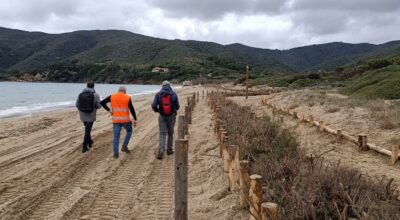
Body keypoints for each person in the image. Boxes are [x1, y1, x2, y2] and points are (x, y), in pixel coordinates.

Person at [100, 86, 137, 158]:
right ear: (124, 91)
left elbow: (102, 102)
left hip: (116, 120)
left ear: (118, 91)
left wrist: (109, 110)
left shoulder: (112, 96)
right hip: (125, 120)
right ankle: (124, 146)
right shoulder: (127, 97)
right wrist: (135, 118)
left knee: (116, 137)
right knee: (129, 131)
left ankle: (116, 154)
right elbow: (132, 109)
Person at [151, 81, 180, 160]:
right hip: (171, 116)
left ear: (162, 86)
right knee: (170, 133)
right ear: (169, 85)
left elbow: (153, 105)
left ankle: (161, 150)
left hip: (162, 116)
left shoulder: (158, 94)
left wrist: (158, 111)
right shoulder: (173, 94)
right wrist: (173, 109)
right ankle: (169, 150)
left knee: (162, 133)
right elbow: (177, 106)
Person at [76, 82, 101, 153]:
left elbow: (77, 104)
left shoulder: (80, 94)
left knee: (87, 129)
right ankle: (84, 147)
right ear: (93, 87)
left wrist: (82, 110)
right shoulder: (96, 95)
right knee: (87, 131)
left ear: (86, 86)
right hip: (91, 115)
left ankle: (90, 141)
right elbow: (99, 106)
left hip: (83, 115)